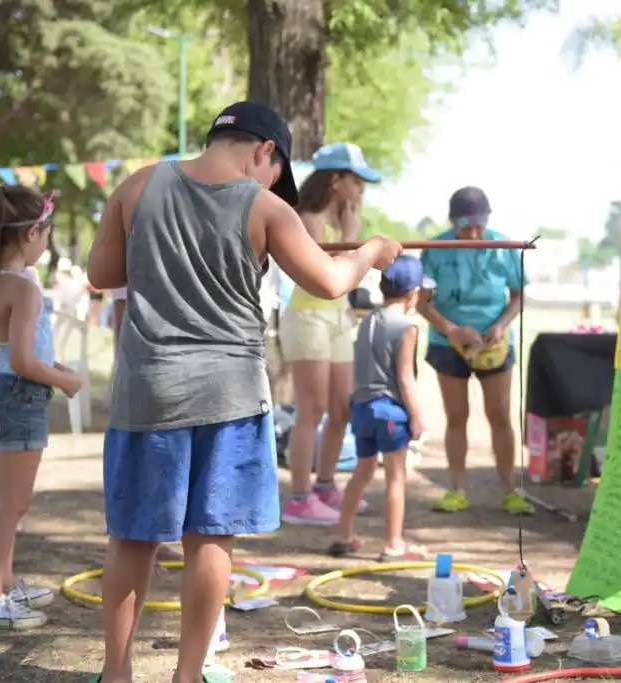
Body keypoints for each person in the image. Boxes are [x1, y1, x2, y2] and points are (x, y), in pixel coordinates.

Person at [85, 101, 401, 683]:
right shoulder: (266, 207)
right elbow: (332, 281)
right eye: (273, 170)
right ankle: (187, 676)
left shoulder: (137, 185)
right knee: (209, 538)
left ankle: (115, 672)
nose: (269, 179)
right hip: (228, 396)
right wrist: (372, 253)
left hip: (147, 390)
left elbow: (101, 272)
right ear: (265, 152)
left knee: (132, 537)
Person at [0, 185, 84, 629]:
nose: (47, 243)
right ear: (33, 231)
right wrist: (65, 381)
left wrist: (50, 365)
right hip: (19, 393)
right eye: (47, 233)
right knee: (11, 503)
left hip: (7, 391)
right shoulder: (22, 286)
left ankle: (5, 584)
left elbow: (18, 350)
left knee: (11, 501)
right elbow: (22, 360)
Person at [280, 142, 383, 526]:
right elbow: (328, 279)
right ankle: (299, 497)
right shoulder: (303, 219)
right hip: (308, 318)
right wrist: (352, 238)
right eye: (356, 182)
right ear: (336, 181)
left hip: (337, 320)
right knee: (312, 409)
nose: (360, 192)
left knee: (341, 408)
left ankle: (325, 486)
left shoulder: (335, 224)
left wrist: (349, 234)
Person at [416, 186, 534, 516]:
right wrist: (451, 329)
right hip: (447, 343)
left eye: (478, 225)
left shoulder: (504, 246)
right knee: (456, 416)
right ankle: (457, 489)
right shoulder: (435, 249)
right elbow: (422, 302)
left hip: (494, 344)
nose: (473, 232)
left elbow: (518, 296)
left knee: (500, 416)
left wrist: (500, 325)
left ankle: (510, 491)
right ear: (453, 222)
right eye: (465, 226)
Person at [328, 255, 433, 561]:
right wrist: (416, 417)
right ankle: (393, 543)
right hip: (389, 409)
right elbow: (404, 378)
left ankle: (343, 534)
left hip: (361, 408)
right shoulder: (407, 327)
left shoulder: (368, 321)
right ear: (413, 294)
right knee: (396, 476)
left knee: (362, 471)